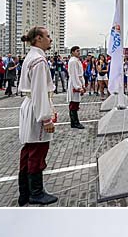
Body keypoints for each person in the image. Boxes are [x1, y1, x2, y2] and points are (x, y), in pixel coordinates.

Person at [18, 25, 58, 206]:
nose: (51, 39)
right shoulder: (39, 61)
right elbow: (40, 91)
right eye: (48, 36)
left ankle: (25, 192)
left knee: (29, 150)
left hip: (30, 104)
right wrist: (46, 118)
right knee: (37, 151)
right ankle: (35, 192)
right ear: (38, 39)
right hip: (36, 107)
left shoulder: (32, 57)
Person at [67, 46, 85, 129]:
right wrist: (78, 87)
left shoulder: (77, 60)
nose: (79, 52)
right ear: (72, 52)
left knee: (75, 103)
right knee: (73, 104)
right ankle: (75, 122)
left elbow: (80, 74)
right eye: (77, 51)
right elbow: (74, 75)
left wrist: (83, 84)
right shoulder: (73, 61)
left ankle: (74, 122)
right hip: (74, 83)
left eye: (79, 51)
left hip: (77, 82)